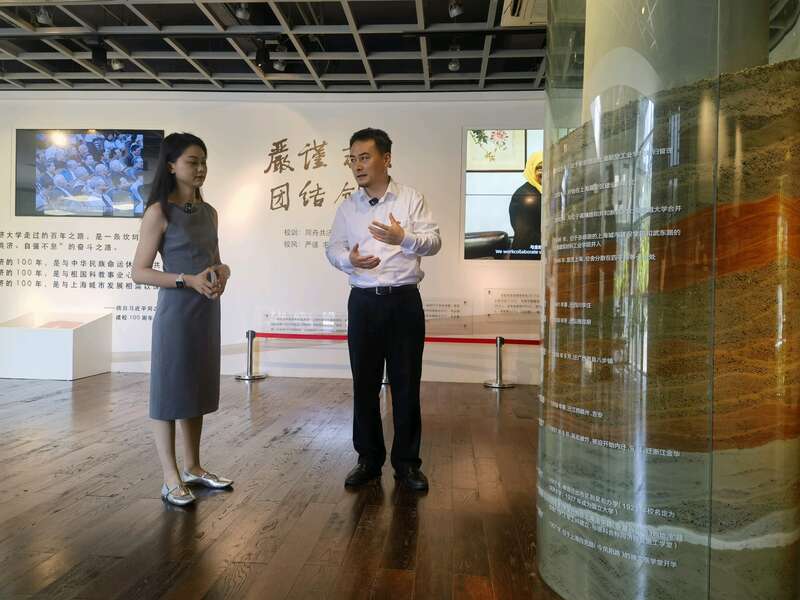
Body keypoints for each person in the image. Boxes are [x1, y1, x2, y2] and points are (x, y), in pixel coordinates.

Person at [326, 127, 441, 491]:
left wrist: (402, 238)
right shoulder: (348, 206)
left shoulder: (411, 199)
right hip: (363, 303)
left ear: (386, 159)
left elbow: (434, 242)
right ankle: (368, 460)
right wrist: (349, 260)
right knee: (364, 384)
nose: (357, 166)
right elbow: (333, 248)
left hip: (404, 301)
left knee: (406, 384)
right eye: (353, 159)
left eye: (365, 157)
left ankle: (407, 464)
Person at [131, 132, 233, 507]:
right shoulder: (158, 212)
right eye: (193, 161)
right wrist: (187, 280)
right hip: (176, 313)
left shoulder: (209, 212)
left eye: (203, 161)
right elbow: (139, 272)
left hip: (206, 309)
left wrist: (222, 272)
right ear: (172, 166)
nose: (200, 168)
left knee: (196, 388)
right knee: (169, 392)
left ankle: (193, 467)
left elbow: (214, 259)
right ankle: (170, 477)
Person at [508, 151, 543, 260]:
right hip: (528, 257)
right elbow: (527, 234)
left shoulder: (543, 191)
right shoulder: (523, 196)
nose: (544, 172)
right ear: (531, 169)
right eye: (539, 168)